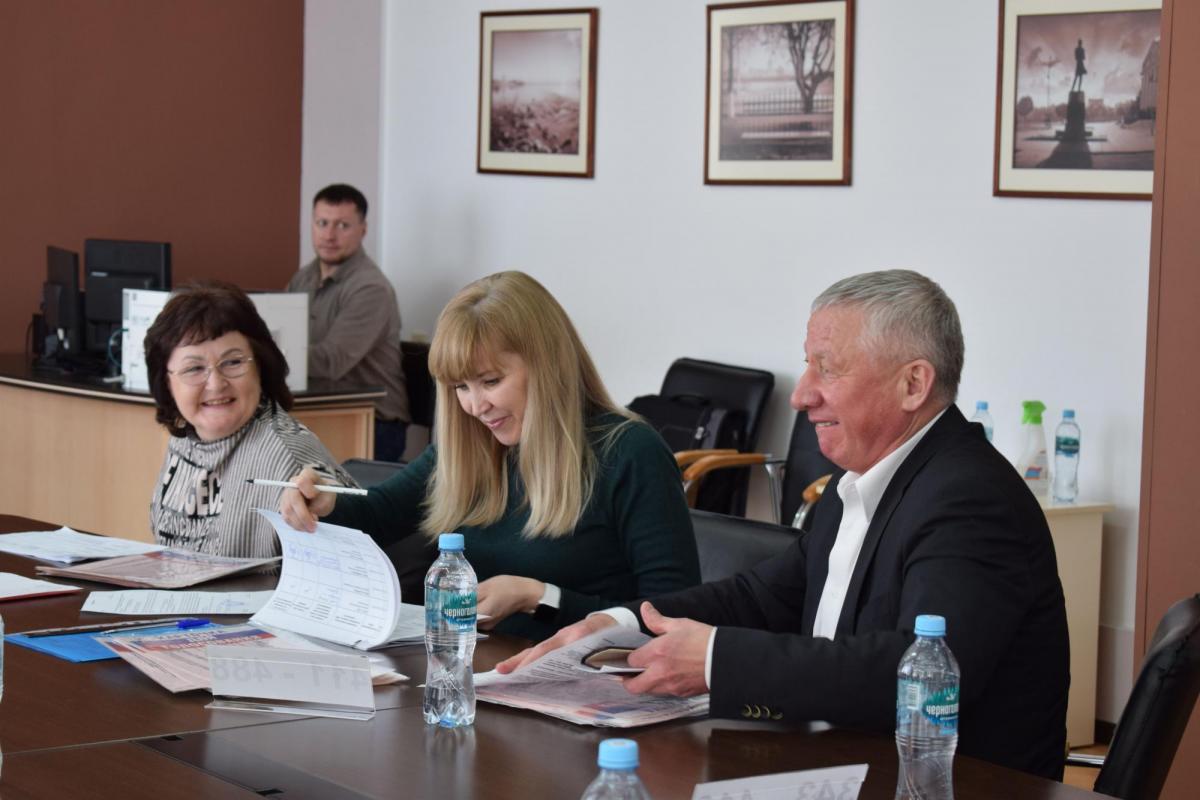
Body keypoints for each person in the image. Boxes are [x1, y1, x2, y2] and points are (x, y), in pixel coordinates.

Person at [500, 270, 1070, 780]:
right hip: (841, 764)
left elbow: (915, 675)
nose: (800, 395)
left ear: (913, 384)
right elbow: (761, 597)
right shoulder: (861, 479)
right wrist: (620, 624)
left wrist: (716, 660)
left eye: (828, 368)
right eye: (807, 364)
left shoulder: (969, 499)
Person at [280, 271, 701, 640]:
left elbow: (673, 617)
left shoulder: (630, 453)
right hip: (482, 671)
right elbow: (381, 513)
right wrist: (328, 501)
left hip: (589, 682)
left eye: (491, 381)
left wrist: (541, 598)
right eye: (460, 387)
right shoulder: (469, 447)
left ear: (546, 366)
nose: (475, 406)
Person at [145, 280, 356, 559]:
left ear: (261, 365)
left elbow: (342, 521)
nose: (216, 384)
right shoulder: (187, 435)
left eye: (233, 362)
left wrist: (328, 497)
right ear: (167, 382)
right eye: (194, 368)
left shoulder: (288, 455)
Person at [288, 183, 410, 461]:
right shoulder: (303, 278)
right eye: (322, 223)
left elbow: (331, 361)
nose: (329, 235)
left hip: (375, 421)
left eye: (343, 225)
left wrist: (262, 357)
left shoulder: (371, 288)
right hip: (319, 411)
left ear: (363, 230)